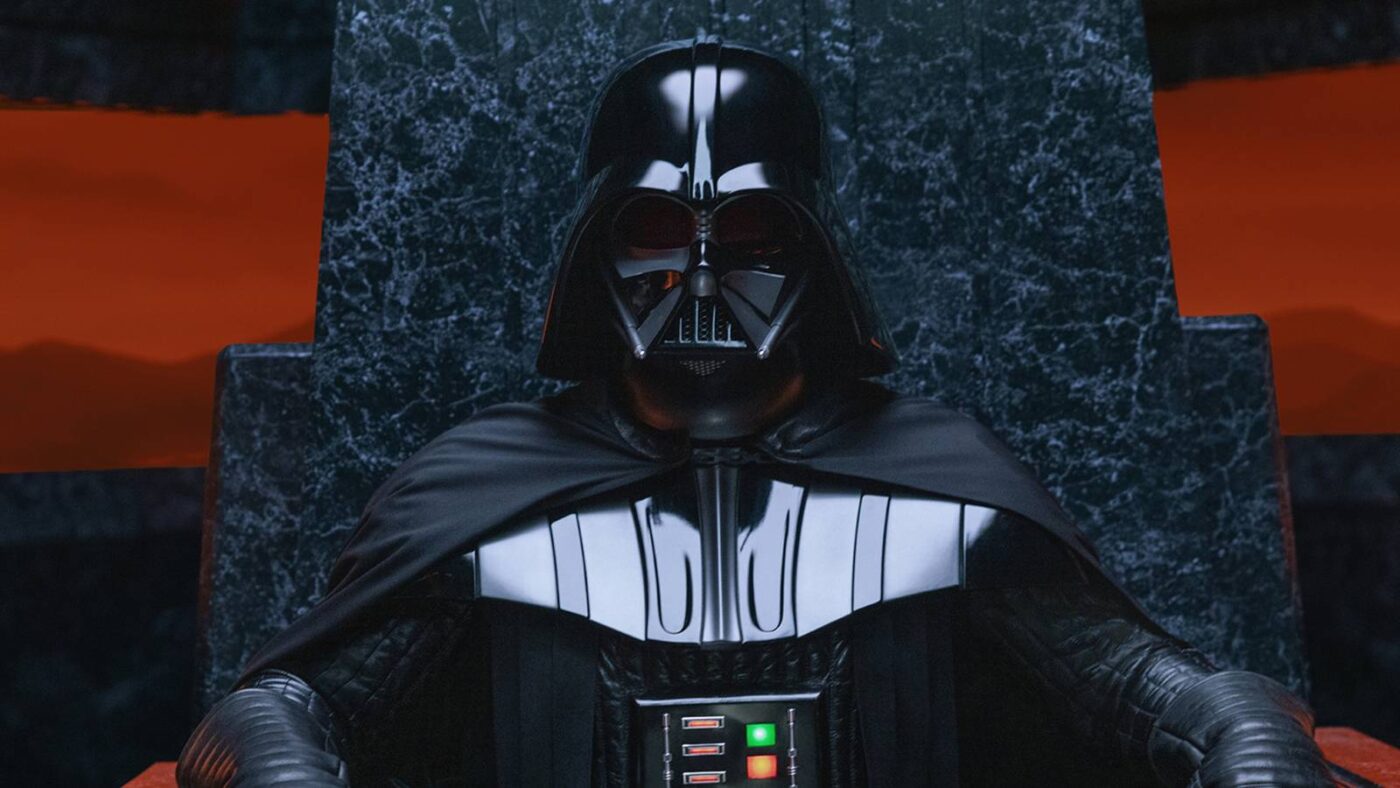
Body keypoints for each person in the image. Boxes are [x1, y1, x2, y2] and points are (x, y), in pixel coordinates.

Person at [178, 39, 1334, 787]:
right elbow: (278, 710)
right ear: (593, 255)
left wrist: (1252, 754)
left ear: (814, 254)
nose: (697, 281)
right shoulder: (483, 496)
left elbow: (1174, 698)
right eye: (653, 233)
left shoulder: (940, 489)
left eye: (746, 238)